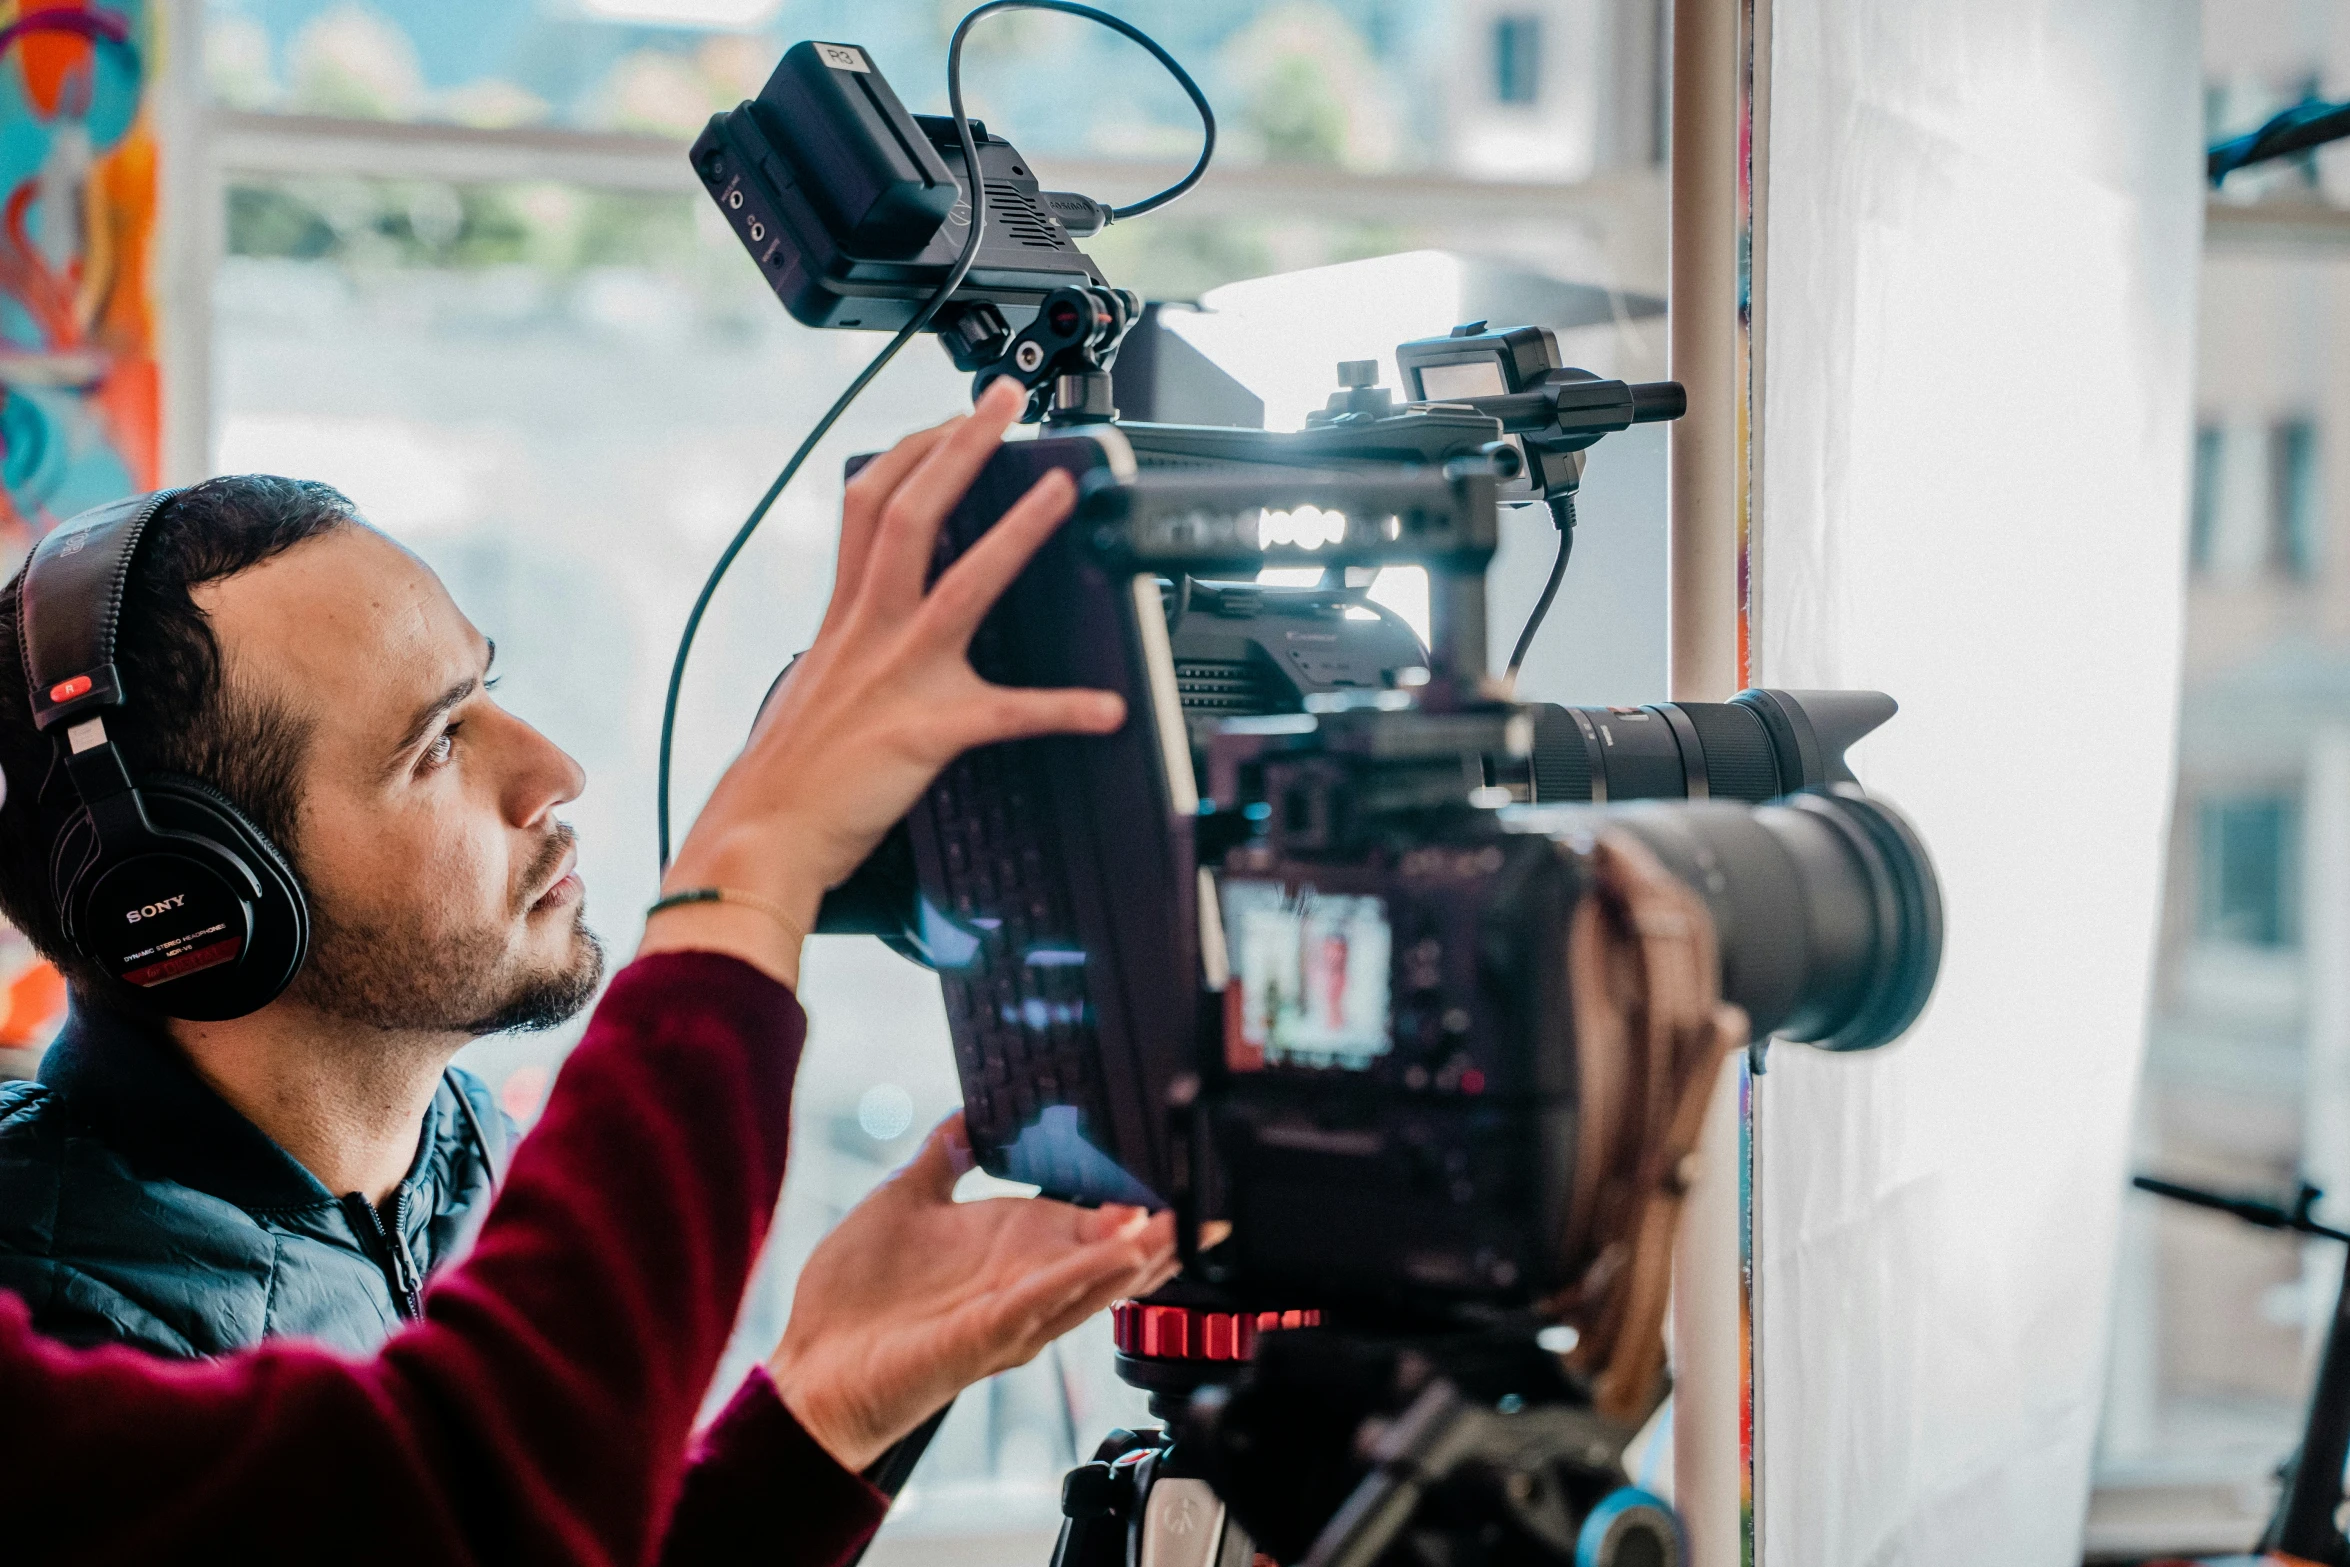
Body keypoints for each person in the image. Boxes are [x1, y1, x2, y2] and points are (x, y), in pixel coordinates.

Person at [1, 378, 1178, 1564]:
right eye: (436, 743)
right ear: (195, 905)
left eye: (488, 687)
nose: (553, 770)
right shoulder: (64, 1314)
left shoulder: (450, 1164)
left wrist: (830, 1407)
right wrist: (749, 874)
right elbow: (448, 1502)